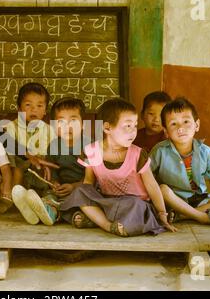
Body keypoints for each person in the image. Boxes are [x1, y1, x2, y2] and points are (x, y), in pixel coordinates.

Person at [33, 99, 176, 236]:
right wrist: (84, 195)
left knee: (136, 206)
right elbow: (88, 183)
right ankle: (108, 225)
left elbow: (152, 186)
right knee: (82, 191)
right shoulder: (92, 151)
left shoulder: (138, 154)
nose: (133, 131)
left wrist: (162, 214)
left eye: (134, 125)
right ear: (107, 127)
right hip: (106, 202)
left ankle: (95, 220)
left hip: (133, 205)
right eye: (127, 126)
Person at [150, 97, 210, 226]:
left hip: (198, 198)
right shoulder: (160, 151)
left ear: (197, 125)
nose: (180, 128)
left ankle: (182, 216)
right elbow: (147, 175)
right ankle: (201, 217)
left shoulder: (205, 151)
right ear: (166, 132)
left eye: (186, 121)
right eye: (173, 124)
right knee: (163, 189)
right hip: (173, 199)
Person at [12, 97, 90, 226]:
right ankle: (46, 211)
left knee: (82, 197)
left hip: (83, 187)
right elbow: (53, 171)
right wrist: (55, 183)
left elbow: (94, 178)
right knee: (49, 195)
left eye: (73, 120)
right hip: (62, 190)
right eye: (61, 122)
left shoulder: (90, 145)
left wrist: (74, 186)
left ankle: (55, 212)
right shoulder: (54, 145)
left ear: (83, 124)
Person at [1, 82, 58, 194]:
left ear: (45, 110)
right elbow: (10, 150)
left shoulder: (50, 131)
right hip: (15, 174)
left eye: (39, 106)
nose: (34, 109)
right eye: (28, 105)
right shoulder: (11, 127)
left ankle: (37, 196)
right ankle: (12, 194)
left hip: (38, 172)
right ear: (19, 109)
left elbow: (52, 156)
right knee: (9, 153)